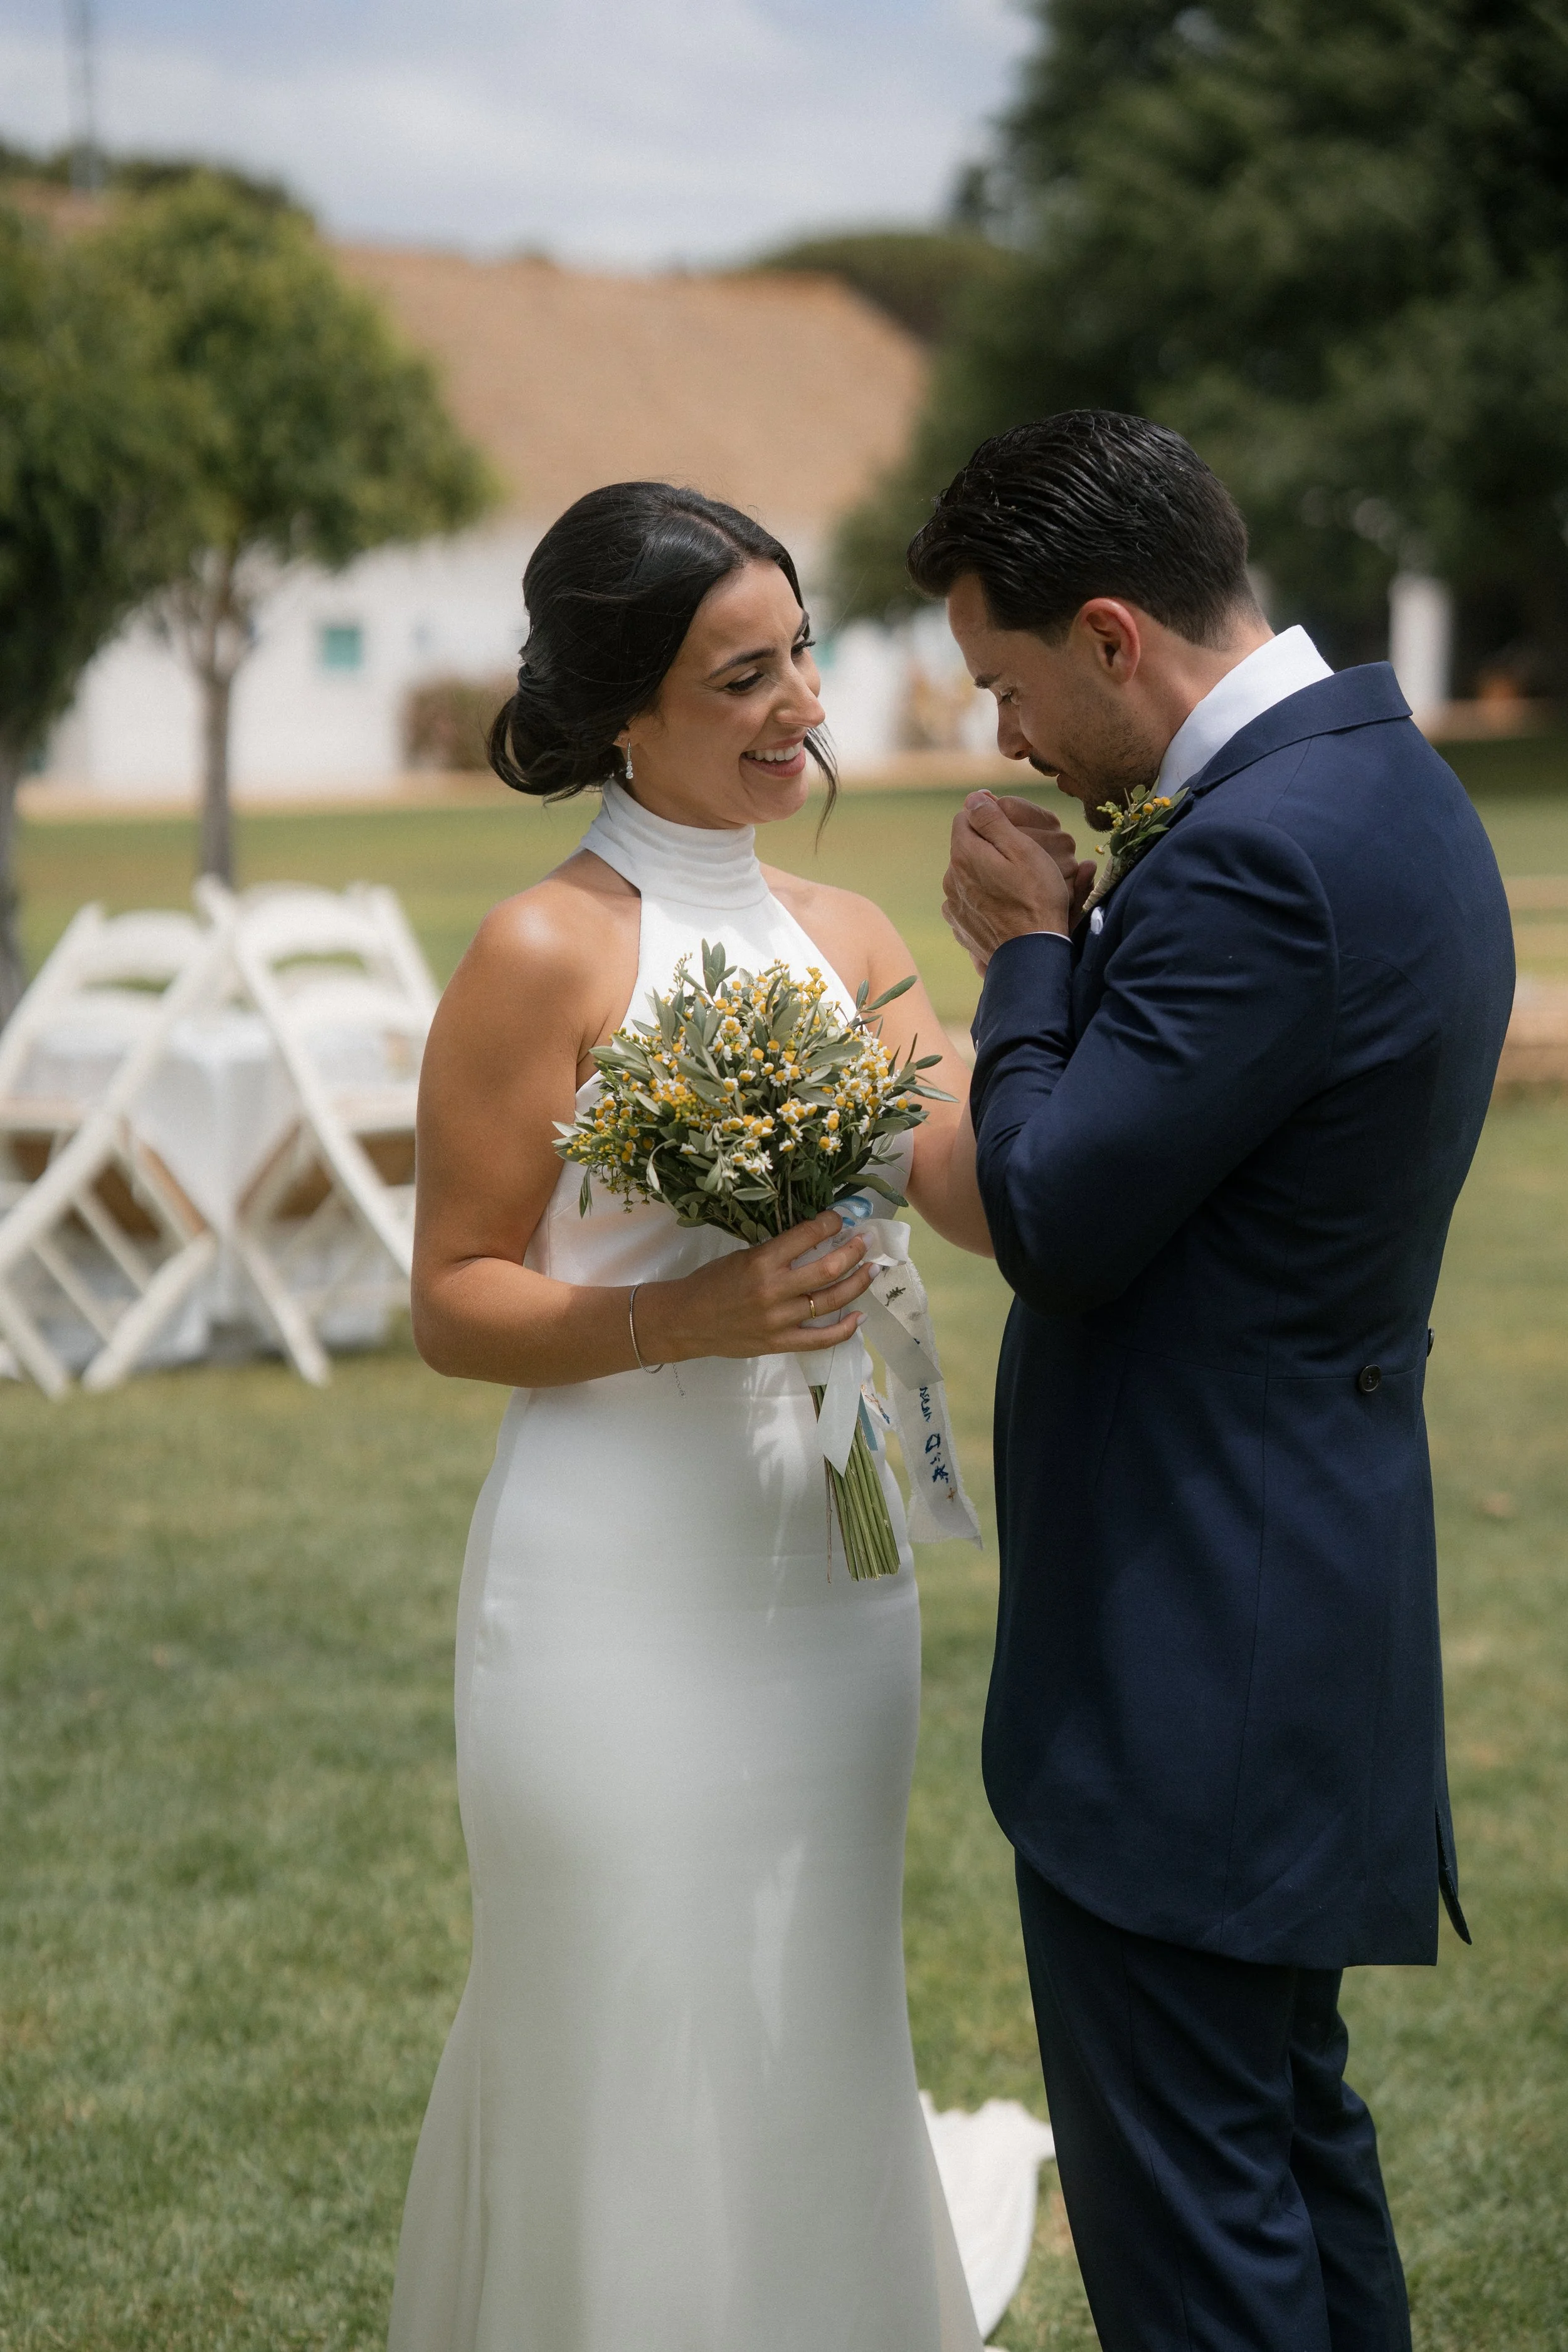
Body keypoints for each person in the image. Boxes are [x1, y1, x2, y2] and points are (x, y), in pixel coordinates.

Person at [918, 411, 1515, 2352]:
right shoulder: (1389, 786)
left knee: (1190, 2234)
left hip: (1188, 1647)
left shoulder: (1255, 853)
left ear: (1109, 635)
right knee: (1285, 2152)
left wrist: (1023, 960)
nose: (1003, 740)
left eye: (1004, 684)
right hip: (1301, 1589)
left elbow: (1056, 1209)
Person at [389, 480, 989, 2352]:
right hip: (610, 1583)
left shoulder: (851, 929)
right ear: (617, 713)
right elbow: (451, 1297)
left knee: (810, 1980)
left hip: (835, 1554)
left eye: (800, 650)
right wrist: (689, 1313)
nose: (799, 702)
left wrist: (1058, 973)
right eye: (742, 675)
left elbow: (976, 1166)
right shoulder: (541, 952)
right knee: (622, 1982)